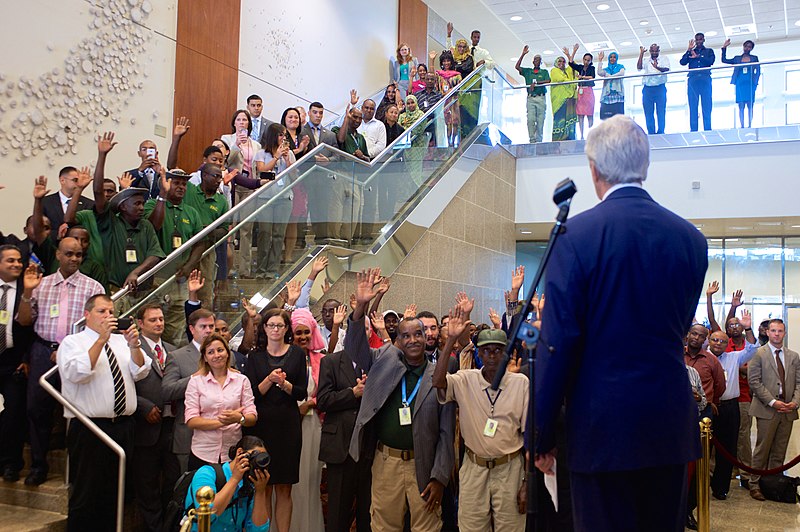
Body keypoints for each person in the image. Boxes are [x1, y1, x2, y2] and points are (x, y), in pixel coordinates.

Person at [534, 115, 708, 532]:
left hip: (601, 430)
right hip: (668, 426)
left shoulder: (575, 235)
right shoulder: (691, 239)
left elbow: (556, 343)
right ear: (644, 167)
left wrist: (540, 436)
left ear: (593, 169)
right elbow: (680, 325)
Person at [347, 268, 455, 532]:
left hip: (425, 464)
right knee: (384, 527)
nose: (413, 340)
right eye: (405, 335)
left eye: (418, 333)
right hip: (387, 464)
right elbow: (355, 348)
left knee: (427, 527)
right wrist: (361, 307)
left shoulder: (439, 376)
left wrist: (440, 478)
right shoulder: (383, 362)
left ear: (427, 337)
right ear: (398, 340)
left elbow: (446, 432)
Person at [57, 294, 151, 531]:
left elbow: (141, 371)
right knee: (87, 494)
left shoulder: (121, 342)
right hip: (90, 427)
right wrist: (100, 340)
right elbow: (78, 373)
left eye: (111, 312)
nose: (108, 317)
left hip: (123, 426)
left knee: (117, 493)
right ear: (87, 315)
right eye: (102, 312)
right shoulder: (73, 342)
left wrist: (134, 345)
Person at [434, 308, 528, 531]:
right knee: (471, 527)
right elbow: (438, 382)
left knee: (512, 528)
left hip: (510, 469)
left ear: (506, 353)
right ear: (479, 353)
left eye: (498, 350)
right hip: (474, 468)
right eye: (486, 350)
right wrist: (451, 341)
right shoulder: (466, 379)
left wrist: (527, 483)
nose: (492, 355)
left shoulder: (521, 383)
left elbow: (529, 435)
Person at [26, 238, 103, 486]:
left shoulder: (93, 288)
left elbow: (97, 326)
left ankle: (77, 469)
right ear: (58, 254)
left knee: (77, 413)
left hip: (76, 353)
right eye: (69, 254)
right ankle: (38, 465)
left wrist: (66, 349)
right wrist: (27, 293)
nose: (74, 259)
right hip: (42, 352)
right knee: (37, 409)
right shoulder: (42, 284)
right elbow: (26, 321)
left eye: (79, 255)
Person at [245, 309, 308, 532]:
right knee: (264, 486)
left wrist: (284, 384)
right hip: (262, 427)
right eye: (271, 325)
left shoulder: (298, 354)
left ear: (286, 329)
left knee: (284, 488)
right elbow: (250, 393)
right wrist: (270, 380)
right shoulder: (255, 356)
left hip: (288, 427)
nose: (275, 330)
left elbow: (302, 393)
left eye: (279, 326)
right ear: (264, 328)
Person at [316, 328, 371, 532]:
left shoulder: (374, 363)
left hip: (368, 447)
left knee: (367, 510)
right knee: (338, 510)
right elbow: (323, 401)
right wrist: (352, 393)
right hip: (340, 447)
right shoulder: (330, 361)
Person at [132, 303, 180, 531]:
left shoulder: (173, 350)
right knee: (147, 484)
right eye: (153, 320)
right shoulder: (131, 348)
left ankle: (168, 526)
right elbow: (122, 383)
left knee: (172, 480)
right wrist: (143, 407)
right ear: (140, 324)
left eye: (161, 319)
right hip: (144, 428)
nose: (159, 323)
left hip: (171, 427)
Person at [144, 170, 205, 346]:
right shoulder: (151, 205)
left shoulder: (191, 212)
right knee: (153, 322)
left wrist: (189, 266)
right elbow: (154, 226)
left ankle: (170, 362)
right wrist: (162, 197)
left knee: (177, 325)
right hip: (157, 278)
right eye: (176, 183)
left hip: (180, 279)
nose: (181, 187)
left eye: (184, 184)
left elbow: (200, 243)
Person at [185, 333, 257, 469]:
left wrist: (239, 419)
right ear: (205, 358)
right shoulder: (195, 382)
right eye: (211, 352)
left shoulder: (241, 380)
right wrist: (223, 421)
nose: (217, 355)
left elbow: (252, 417)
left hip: (233, 452)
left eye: (220, 350)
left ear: (227, 353)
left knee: (232, 490)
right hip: (202, 453)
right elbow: (191, 420)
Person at [706, 315, 758, 501]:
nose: (718, 343)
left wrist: (748, 328)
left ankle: (720, 488)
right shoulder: (704, 359)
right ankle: (702, 484)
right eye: (715, 340)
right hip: (707, 408)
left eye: (722, 341)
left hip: (729, 407)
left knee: (727, 449)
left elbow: (752, 348)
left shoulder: (734, 357)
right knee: (705, 449)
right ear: (709, 341)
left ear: (727, 344)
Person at [747, 319, 800, 501]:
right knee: (762, 449)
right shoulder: (759, 354)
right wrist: (772, 402)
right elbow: (754, 382)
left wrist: (795, 402)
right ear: (767, 332)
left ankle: (772, 483)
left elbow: (799, 382)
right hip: (766, 409)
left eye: (780, 331)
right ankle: (754, 484)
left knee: (779, 450)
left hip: (788, 410)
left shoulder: (793, 356)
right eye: (773, 331)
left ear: (784, 333)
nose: (777, 334)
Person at [163, 308, 217, 473]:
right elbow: (167, 391)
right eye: (203, 326)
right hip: (189, 435)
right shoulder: (177, 356)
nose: (208, 330)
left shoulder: (225, 355)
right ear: (192, 329)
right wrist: (195, 377)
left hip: (220, 435)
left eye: (211, 326)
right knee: (189, 489)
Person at [288, 308, 326, 532]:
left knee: (309, 481)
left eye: (306, 332)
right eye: (297, 333)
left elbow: (326, 393)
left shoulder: (321, 361)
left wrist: (311, 404)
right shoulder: (281, 359)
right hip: (288, 427)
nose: (302, 337)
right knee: (289, 483)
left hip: (313, 426)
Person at [0, 246, 35, 483]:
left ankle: (11, 464)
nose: (16, 264)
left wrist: (27, 359)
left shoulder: (29, 289)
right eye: (10, 260)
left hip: (14, 361)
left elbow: (33, 327)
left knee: (13, 414)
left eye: (19, 260)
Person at [185, 435, 271, 531]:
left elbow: (259, 530)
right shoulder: (207, 474)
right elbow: (208, 515)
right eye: (255, 456)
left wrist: (260, 492)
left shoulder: (249, 485)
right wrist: (234, 479)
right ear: (240, 452)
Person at [253, 123, 296, 278]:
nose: (283, 138)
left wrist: (287, 159)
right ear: (273, 136)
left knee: (279, 235)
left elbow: (294, 177)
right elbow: (263, 172)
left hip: (284, 198)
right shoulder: (261, 153)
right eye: (280, 135)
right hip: (265, 198)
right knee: (265, 233)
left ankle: (272, 269)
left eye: (284, 135)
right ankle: (260, 269)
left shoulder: (289, 154)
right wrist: (276, 157)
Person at [301, 101, 340, 244]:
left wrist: (328, 160)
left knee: (322, 211)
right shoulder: (300, 132)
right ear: (309, 113)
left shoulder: (329, 135)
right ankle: (299, 243)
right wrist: (313, 159)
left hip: (324, 179)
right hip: (305, 178)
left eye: (321, 113)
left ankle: (321, 242)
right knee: (302, 213)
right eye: (315, 112)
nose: (318, 116)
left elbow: (337, 156)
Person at [281, 107, 311, 264]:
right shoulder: (280, 135)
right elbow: (282, 152)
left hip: (299, 181)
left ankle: (288, 254)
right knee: (281, 220)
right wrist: (299, 149)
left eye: (296, 117)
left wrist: (305, 149)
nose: (293, 119)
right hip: (282, 182)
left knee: (293, 220)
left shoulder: (303, 136)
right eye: (290, 117)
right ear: (284, 118)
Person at [40, 166, 94, 242]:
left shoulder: (89, 204)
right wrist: (57, 235)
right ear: (62, 180)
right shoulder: (46, 202)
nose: (79, 183)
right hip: (54, 246)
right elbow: (40, 230)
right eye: (75, 180)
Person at [680, 33, 716, 132]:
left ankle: (708, 130)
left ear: (703, 40)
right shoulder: (691, 51)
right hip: (693, 81)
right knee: (693, 106)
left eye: (700, 39)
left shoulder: (709, 51)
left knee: (707, 105)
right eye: (697, 40)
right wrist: (688, 50)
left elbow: (710, 61)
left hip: (705, 80)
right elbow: (682, 62)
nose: (699, 41)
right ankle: (693, 131)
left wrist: (698, 57)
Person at [722, 39, 761, 128]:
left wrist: (755, 82)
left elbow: (758, 71)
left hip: (750, 83)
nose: (747, 48)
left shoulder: (754, 58)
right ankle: (742, 125)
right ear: (743, 47)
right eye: (746, 46)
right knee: (741, 105)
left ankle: (750, 125)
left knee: (750, 105)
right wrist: (724, 48)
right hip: (740, 83)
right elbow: (724, 60)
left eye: (749, 47)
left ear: (751, 48)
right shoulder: (737, 58)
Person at [516, 47, 550, 143]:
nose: (537, 61)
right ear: (533, 61)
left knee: (540, 121)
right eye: (535, 59)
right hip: (531, 98)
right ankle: (532, 139)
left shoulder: (544, 72)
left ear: (541, 62)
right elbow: (517, 67)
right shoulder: (528, 71)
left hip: (541, 97)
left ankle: (539, 140)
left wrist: (537, 83)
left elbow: (548, 80)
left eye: (539, 60)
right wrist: (523, 54)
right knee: (530, 120)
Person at [637, 44, 671, 135]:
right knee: (648, 112)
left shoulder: (664, 58)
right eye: (652, 51)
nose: (654, 53)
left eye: (656, 51)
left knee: (661, 111)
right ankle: (651, 132)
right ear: (650, 51)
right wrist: (641, 54)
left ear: (659, 51)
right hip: (648, 89)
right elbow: (639, 67)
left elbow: (667, 69)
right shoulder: (646, 60)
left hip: (660, 88)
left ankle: (661, 132)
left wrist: (657, 67)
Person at [568, 48, 596, 140]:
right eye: (585, 59)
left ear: (591, 61)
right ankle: (582, 135)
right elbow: (571, 63)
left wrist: (582, 77)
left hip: (588, 91)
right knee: (580, 114)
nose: (586, 61)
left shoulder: (592, 68)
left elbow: (592, 77)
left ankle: (591, 134)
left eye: (588, 60)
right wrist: (574, 51)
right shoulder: (580, 67)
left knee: (589, 113)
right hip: (580, 91)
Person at [550, 56, 578, 141]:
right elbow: (559, 79)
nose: (561, 63)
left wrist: (571, 54)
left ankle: (570, 138)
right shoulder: (554, 70)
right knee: (559, 118)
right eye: (559, 61)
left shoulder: (567, 72)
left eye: (563, 61)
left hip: (570, 98)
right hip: (559, 100)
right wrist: (570, 81)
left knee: (570, 120)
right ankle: (558, 139)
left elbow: (573, 66)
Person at [596, 51, 626, 120]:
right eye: (611, 57)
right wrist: (600, 60)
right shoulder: (606, 70)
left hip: (617, 96)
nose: (612, 59)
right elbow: (599, 72)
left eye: (614, 57)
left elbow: (621, 73)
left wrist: (610, 76)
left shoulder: (620, 67)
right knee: (606, 119)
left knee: (618, 119)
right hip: (607, 96)